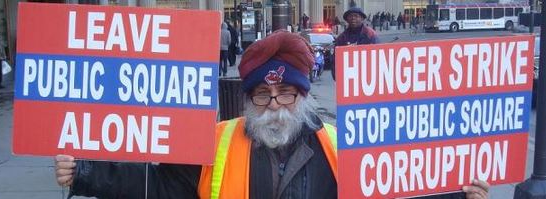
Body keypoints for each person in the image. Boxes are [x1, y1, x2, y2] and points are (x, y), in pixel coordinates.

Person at [55, 31, 490, 199]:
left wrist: (458, 195)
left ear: (303, 96)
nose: (275, 105)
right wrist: (84, 172)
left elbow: (393, 190)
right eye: (263, 94)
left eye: (286, 92)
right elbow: (158, 183)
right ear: (249, 99)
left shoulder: (340, 146)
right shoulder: (217, 140)